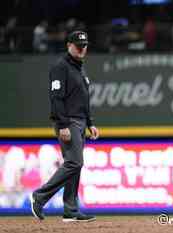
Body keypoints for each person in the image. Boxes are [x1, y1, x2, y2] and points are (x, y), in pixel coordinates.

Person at [30, 30, 99, 222]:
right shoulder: (61, 67)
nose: (82, 48)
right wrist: (62, 125)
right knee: (75, 162)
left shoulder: (79, 68)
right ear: (69, 45)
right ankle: (40, 196)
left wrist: (90, 123)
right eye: (78, 45)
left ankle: (70, 209)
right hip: (67, 121)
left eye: (84, 45)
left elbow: (84, 100)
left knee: (75, 166)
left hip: (80, 122)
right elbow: (56, 98)